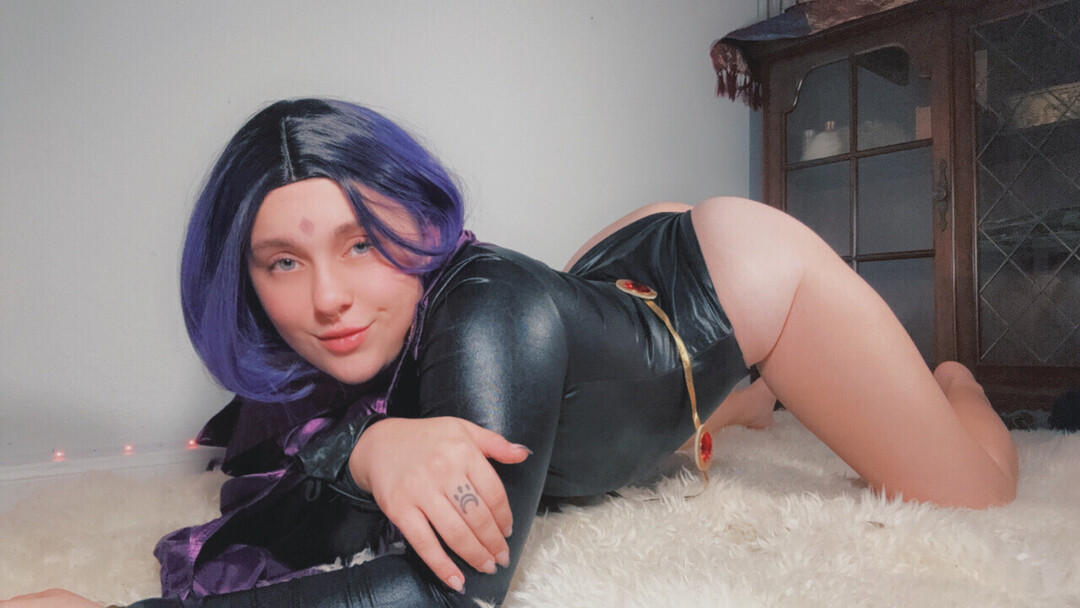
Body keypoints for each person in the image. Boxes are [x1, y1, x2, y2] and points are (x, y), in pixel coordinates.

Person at [1, 99, 1018, 608]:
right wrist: (367, 448)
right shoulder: (329, 339)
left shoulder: (488, 311)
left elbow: (454, 590)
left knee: (975, 487)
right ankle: (738, 405)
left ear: (420, 217)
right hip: (608, 287)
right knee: (593, 408)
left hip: (736, 285)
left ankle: (952, 382)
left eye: (363, 243)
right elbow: (270, 461)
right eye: (283, 261)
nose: (327, 298)